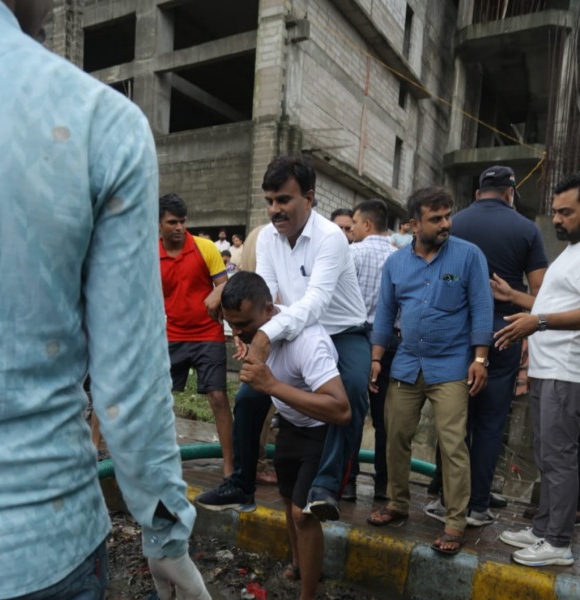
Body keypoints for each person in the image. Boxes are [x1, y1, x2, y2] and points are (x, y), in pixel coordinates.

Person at [0, 2, 212, 600]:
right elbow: (127, 384)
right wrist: (166, 531)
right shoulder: (96, 121)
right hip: (39, 546)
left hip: (41, 553)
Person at [196, 155, 370, 521]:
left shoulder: (330, 238)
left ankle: (326, 486)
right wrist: (247, 328)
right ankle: (241, 483)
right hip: (295, 328)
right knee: (248, 394)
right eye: (270, 201)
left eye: (284, 200)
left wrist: (265, 334)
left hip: (342, 331)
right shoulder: (268, 239)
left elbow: (316, 302)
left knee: (352, 389)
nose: (275, 209)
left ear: (309, 197)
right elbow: (265, 293)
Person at [221, 273, 351, 600]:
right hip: (291, 425)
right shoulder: (256, 334)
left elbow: (340, 409)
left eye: (245, 325)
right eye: (233, 326)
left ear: (269, 310)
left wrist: (272, 386)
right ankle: (298, 563)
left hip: (321, 431)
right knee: (287, 499)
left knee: (303, 515)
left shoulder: (307, 341)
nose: (240, 334)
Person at [368, 186, 493, 555]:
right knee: (395, 434)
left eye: (447, 216)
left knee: (452, 442)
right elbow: (385, 314)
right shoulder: (395, 264)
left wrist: (480, 360)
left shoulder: (468, 256)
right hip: (407, 363)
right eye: (435, 218)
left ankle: (455, 521)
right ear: (413, 224)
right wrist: (376, 358)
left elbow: (482, 309)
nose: (445, 224)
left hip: (452, 365)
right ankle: (397, 503)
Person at [426, 165, 548, 526]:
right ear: (510, 193)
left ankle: (447, 500)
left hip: (457, 331)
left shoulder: (453, 223)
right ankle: (477, 506)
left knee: (453, 417)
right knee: (491, 422)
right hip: (504, 331)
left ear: (478, 193)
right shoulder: (527, 229)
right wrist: (513, 298)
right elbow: (542, 297)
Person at [495, 172, 580, 566]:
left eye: (566, 212)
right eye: (556, 212)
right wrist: (516, 297)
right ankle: (543, 528)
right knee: (547, 454)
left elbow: (556, 315)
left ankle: (558, 543)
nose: (557, 219)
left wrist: (539, 322)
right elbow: (551, 305)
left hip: (567, 370)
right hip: (547, 369)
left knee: (560, 457)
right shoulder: (570, 252)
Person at [159, 194, 234, 477]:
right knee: (159, 398)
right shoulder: (149, 254)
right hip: (171, 334)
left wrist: (220, 290)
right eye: (172, 222)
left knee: (217, 396)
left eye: (183, 221)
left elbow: (225, 286)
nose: (179, 227)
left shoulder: (205, 248)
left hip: (207, 332)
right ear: (159, 224)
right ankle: (162, 457)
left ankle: (229, 466)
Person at [343, 198, 397, 502]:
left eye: (354, 223)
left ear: (367, 224)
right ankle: (383, 486)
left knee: (351, 411)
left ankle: (347, 482)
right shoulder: (401, 257)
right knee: (385, 419)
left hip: (355, 338)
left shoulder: (352, 253)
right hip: (391, 342)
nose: (351, 229)